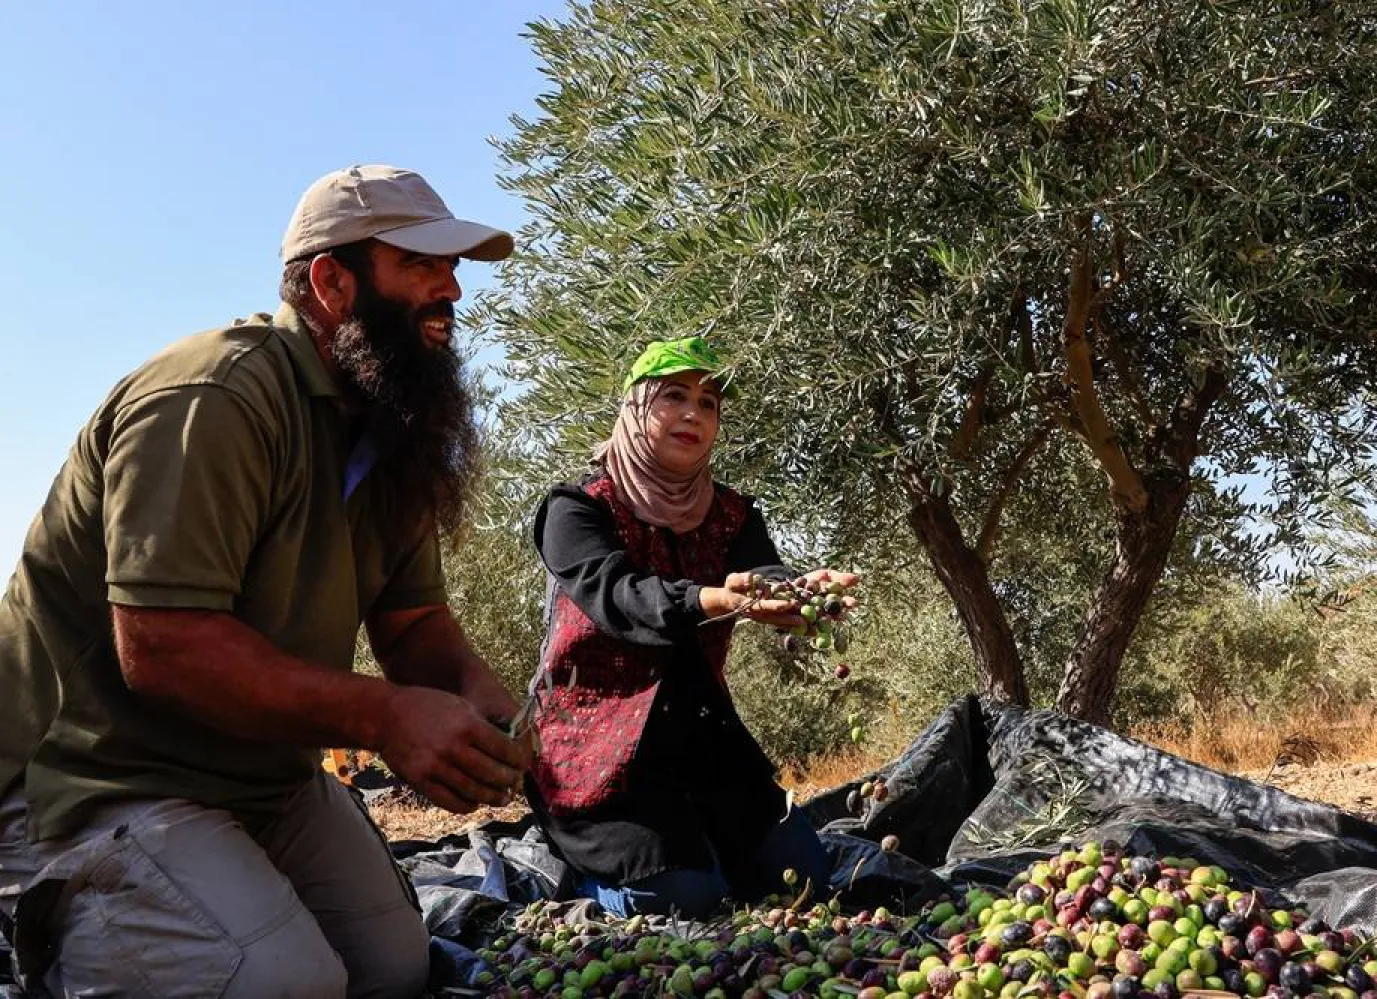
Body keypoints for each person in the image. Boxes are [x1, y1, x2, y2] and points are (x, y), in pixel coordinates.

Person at [0, 164, 534, 999]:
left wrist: (481, 703)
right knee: (279, 981)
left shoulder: (392, 423)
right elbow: (164, 649)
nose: (452, 291)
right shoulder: (213, 397)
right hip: (92, 780)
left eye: (453, 268)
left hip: (257, 773)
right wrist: (387, 714)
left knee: (393, 967)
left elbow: (415, 621)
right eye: (421, 266)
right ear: (331, 281)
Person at [522, 336, 858, 919]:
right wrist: (711, 599)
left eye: (708, 404)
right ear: (634, 408)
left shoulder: (733, 514)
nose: (692, 414)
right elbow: (618, 595)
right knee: (684, 900)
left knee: (803, 878)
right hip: (595, 750)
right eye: (673, 396)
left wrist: (797, 596)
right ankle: (579, 869)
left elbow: (763, 573)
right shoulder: (577, 510)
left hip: (703, 742)